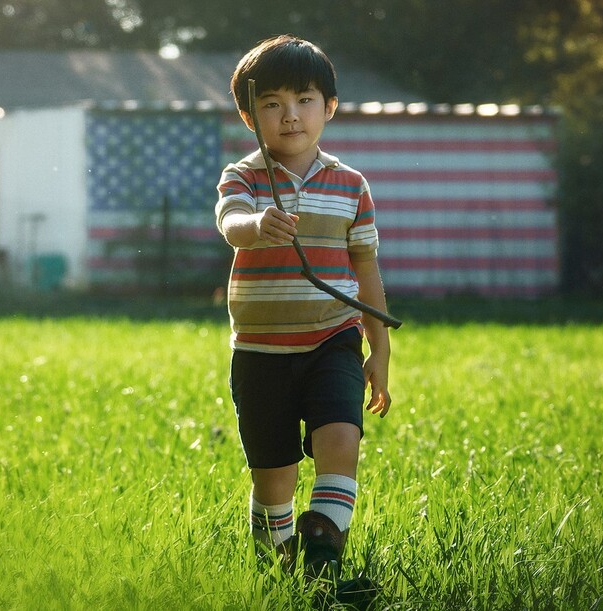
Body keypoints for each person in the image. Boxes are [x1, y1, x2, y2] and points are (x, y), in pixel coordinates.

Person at [215, 34, 392, 581]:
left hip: (331, 340)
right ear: (250, 116)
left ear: (329, 107)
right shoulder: (243, 177)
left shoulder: (350, 186)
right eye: (272, 104)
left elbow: (365, 270)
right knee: (275, 478)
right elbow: (230, 222)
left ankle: (323, 558)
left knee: (341, 440)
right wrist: (256, 226)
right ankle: (276, 570)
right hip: (261, 351)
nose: (290, 116)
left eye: (305, 100)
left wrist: (379, 347)